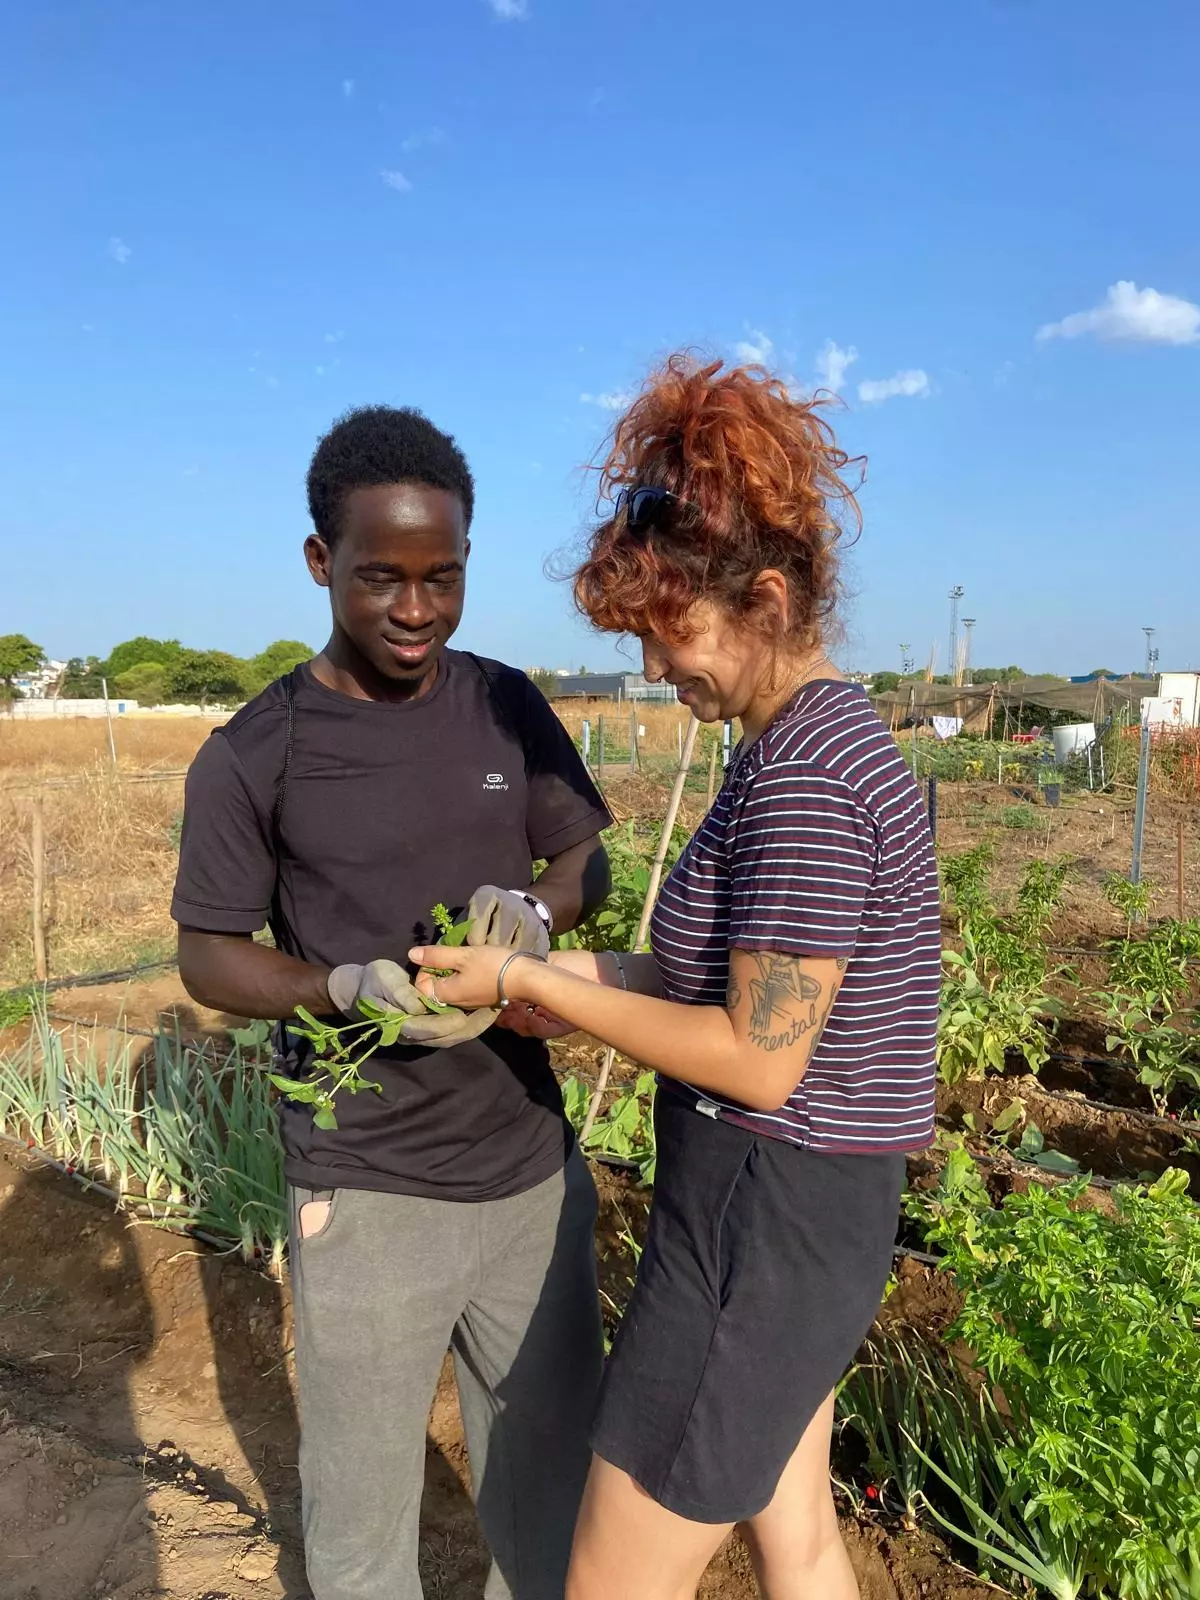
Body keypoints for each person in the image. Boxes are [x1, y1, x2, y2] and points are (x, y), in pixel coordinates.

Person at [411, 356, 941, 1600]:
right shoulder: (809, 744)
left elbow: (759, 1054)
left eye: (674, 635)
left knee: (610, 1582)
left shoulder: (807, 777)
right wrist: (535, 971)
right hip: (809, 1214)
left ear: (763, 599)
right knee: (794, 1529)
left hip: (762, 1221)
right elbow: (708, 975)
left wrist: (567, 999)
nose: (659, 669)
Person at [171, 404, 612, 1600]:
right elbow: (207, 955)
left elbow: (588, 861)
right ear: (322, 563)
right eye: (381, 578)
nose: (416, 610)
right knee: (365, 1526)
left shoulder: (507, 706)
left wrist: (536, 918)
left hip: (529, 1176)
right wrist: (337, 987)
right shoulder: (257, 751)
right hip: (364, 1189)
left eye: (443, 578)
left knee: (547, 1489)